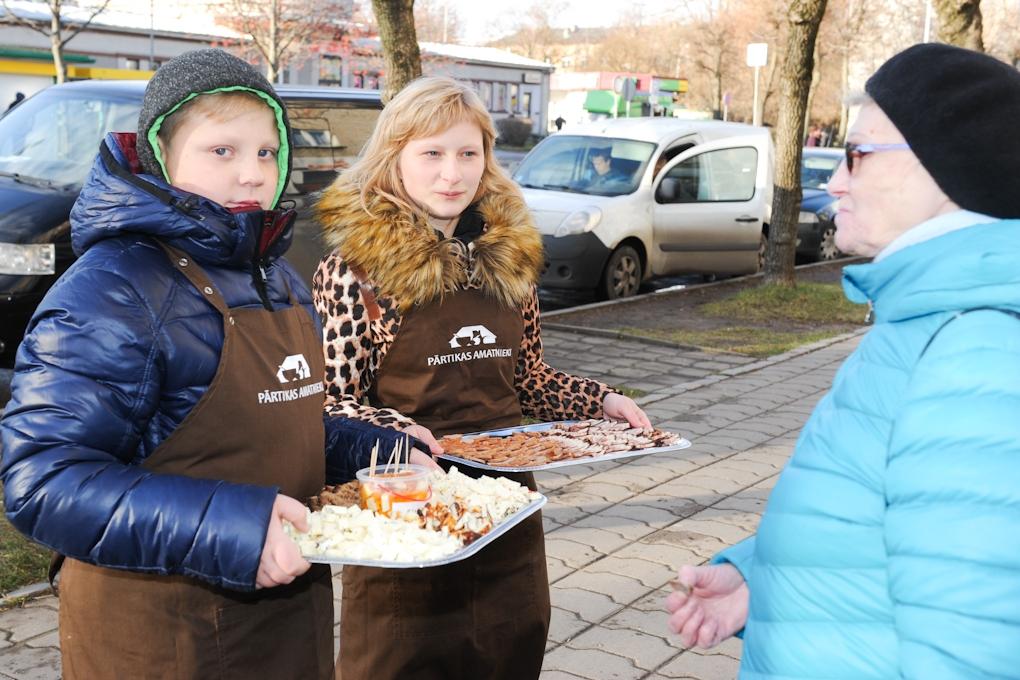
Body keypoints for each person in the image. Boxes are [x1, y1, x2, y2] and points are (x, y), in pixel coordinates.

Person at [0, 49, 409, 679]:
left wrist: (381, 455)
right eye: (222, 151)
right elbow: (42, 480)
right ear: (163, 155)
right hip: (162, 637)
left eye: (267, 152)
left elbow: (273, 421)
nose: (251, 175)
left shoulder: (276, 274)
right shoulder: (113, 288)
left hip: (286, 624)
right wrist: (233, 529)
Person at [665, 43, 1020, 677]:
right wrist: (764, 578)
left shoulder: (975, 355)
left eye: (857, 155)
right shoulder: (929, 324)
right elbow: (889, 524)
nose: (833, 180)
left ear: (945, 169)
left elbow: (976, 646)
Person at [312, 75, 652, 679]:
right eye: (432, 153)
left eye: (468, 153)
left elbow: (527, 378)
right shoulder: (355, 271)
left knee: (510, 651)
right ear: (395, 157)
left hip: (506, 508)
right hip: (407, 510)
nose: (452, 173)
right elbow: (332, 401)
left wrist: (600, 403)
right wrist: (402, 435)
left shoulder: (512, 259)